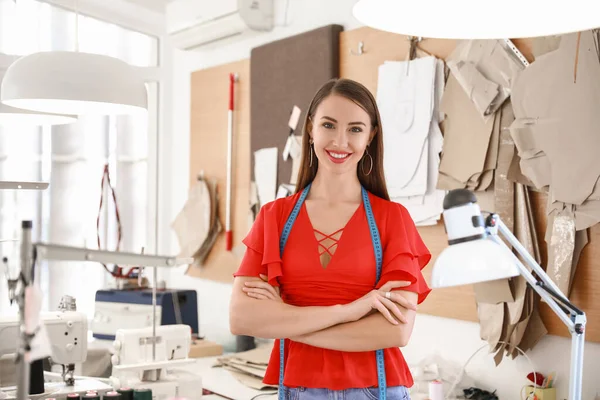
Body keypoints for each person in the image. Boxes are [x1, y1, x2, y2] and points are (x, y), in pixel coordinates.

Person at [229, 78, 432, 400]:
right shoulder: (274, 217)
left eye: (355, 129)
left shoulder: (393, 219)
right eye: (328, 125)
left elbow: (394, 330)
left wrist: (284, 319)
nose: (340, 141)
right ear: (310, 129)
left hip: (377, 389)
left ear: (371, 136)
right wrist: (350, 311)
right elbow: (242, 318)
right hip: (298, 389)